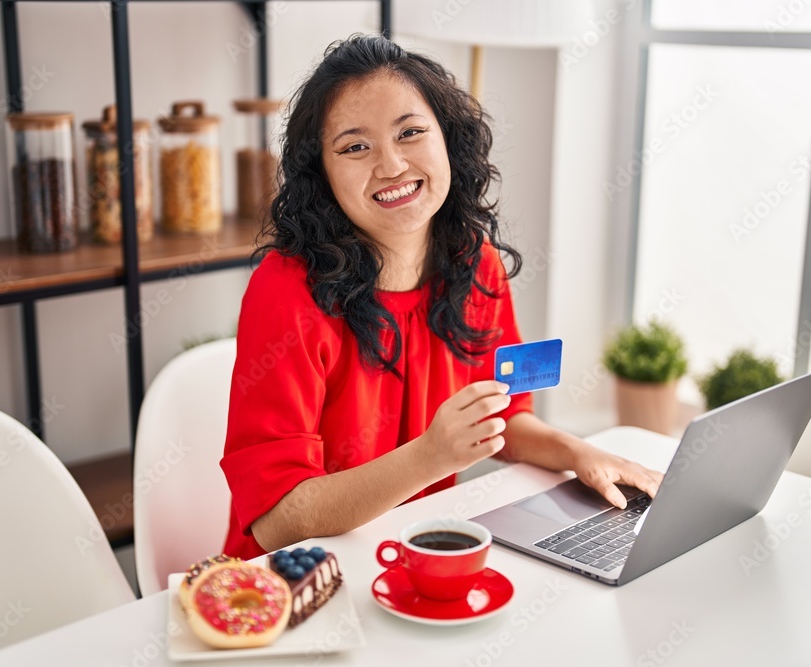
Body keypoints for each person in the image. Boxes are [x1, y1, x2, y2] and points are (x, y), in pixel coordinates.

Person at [221, 34, 662, 560]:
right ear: (322, 174)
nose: (390, 166)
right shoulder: (287, 291)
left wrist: (580, 454)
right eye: (355, 146)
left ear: (447, 141)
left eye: (410, 133)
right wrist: (431, 457)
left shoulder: (474, 261)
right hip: (298, 578)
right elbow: (277, 520)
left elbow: (506, 416)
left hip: (415, 554)